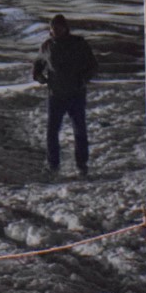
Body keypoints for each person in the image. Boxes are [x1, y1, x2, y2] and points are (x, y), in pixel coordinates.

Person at [32, 14, 98, 177]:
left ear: (65, 28)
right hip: (56, 95)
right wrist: (40, 77)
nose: (56, 30)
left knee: (79, 130)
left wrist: (83, 79)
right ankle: (53, 165)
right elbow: (37, 66)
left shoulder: (79, 44)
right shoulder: (47, 46)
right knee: (52, 132)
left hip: (76, 94)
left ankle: (82, 165)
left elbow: (93, 65)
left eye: (59, 27)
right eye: (53, 28)